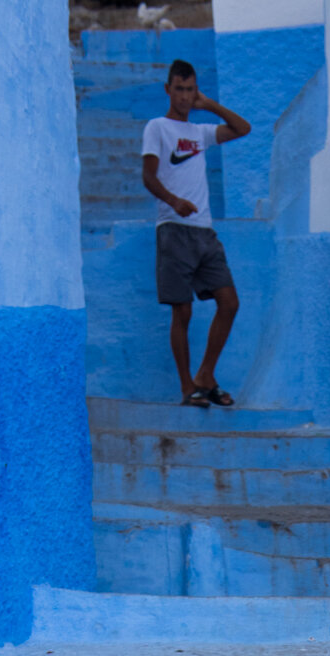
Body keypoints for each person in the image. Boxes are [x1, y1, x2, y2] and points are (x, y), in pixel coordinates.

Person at [142, 60, 251, 408]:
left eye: (191, 90)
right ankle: (187, 386)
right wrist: (174, 202)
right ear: (168, 90)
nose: (186, 97)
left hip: (205, 233)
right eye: (180, 89)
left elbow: (242, 128)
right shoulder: (157, 127)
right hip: (174, 231)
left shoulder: (201, 132)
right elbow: (148, 176)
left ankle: (206, 374)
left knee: (229, 302)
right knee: (183, 312)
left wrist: (211, 105)